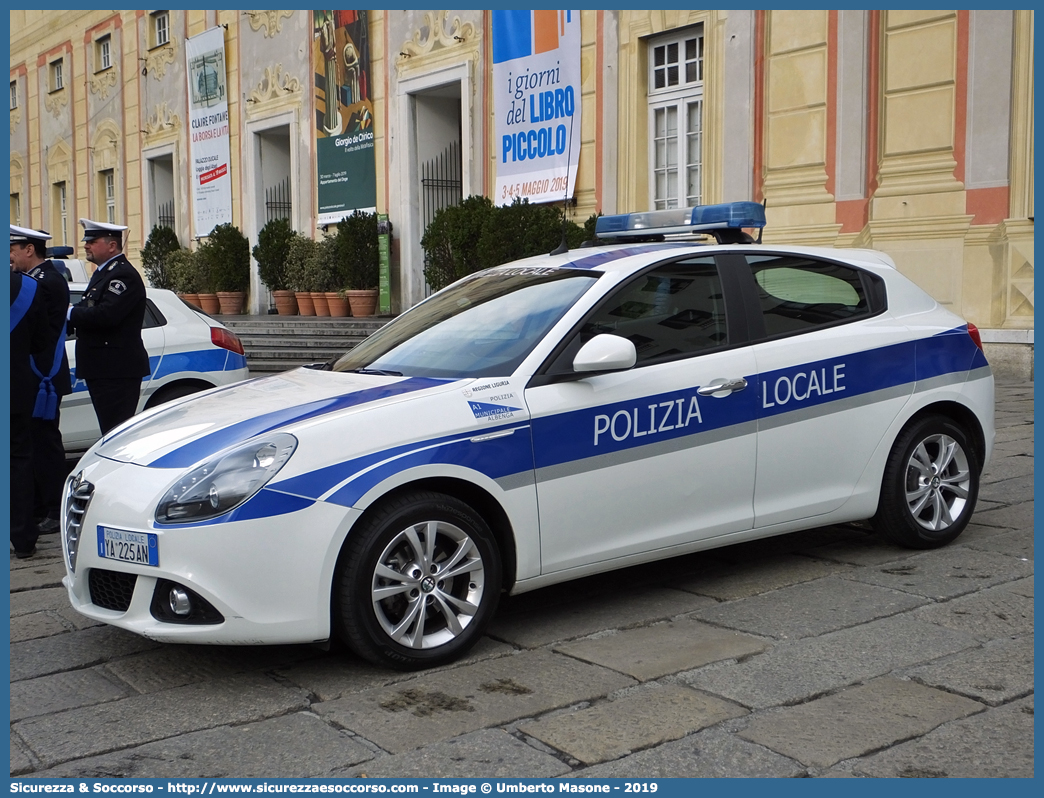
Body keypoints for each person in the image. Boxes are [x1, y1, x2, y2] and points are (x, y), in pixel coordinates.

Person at [11, 225, 73, 535]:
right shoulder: (37, 280)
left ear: (29, 250)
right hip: (35, 374)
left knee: (45, 444)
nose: (11, 255)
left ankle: (53, 506)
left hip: (42, 373)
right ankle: (36, 506)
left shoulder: (46, 282)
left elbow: (41, 335)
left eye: (14, 249)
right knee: (33, 444)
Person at [67, 219, 150, 435]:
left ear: (112, 245)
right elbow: (91, 306)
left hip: (115, 370)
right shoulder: (104, 272)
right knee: (109, 429)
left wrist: (69, 313)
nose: (86, 245)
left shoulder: (122, 275)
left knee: (116, 430)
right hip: (103, 368)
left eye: (92, 241)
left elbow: (106, 315)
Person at [10, 268, 50, 558]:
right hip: (14, 386)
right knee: (18, 461)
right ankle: (23, 539)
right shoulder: (28, 287)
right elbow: (40, 342)